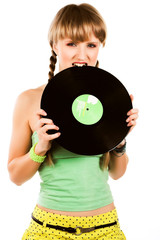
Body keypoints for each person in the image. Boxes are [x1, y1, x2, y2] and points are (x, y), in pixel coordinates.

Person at [8, 3, 139, 240]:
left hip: (105, 229)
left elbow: (117, 174)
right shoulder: (29, 100)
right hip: (48, 230)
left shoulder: (108, 101)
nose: (82, 54)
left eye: (91, 44)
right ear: (54, 45)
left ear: (100, 47)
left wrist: (120, 139)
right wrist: (41, 147)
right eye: (71, 44)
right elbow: (15, 177)